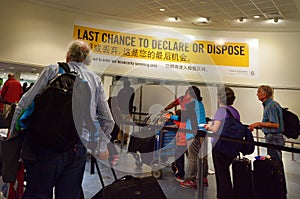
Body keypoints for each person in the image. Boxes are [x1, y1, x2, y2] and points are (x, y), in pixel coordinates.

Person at [9, 40, 114, 199]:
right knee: (68, 195)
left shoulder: (53, 70)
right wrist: (99, 145)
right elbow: (107, 119)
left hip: (45, 145)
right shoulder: (95, 79)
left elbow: (25, 102)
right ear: (87, 59)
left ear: (68, 56)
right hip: (77, 147)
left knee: (38, 193)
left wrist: (14, 132)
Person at [249, 85, 287, 197]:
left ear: (264, 94)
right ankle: (278, 189)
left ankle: (279, 191)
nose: (257, 94)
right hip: (272, 138)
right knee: (276, 163)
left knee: (276, 164)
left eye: (259, 92)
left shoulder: (271, 106)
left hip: (274, 138)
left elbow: (275, 124)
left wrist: (258, 123)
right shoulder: (269, 105)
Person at [167, 86, 208, 189]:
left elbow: (183, 118)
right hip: (203, 132)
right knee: (202, 157)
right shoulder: (200, 104)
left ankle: (191, 180)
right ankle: (203, 178)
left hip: (193, 133)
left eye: (188, 94)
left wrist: (170, 117)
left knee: (192, 158)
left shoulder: (191, 104)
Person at [205, 86, 240, 199]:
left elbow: (215, 129)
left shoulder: (221, 111)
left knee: (222, 175)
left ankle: (225, 195)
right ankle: (221, 195)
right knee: (225, 172)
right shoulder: (235, 112)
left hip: (220, 146)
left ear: (220, 98)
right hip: (232, 146)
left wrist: (208, 126)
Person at [164, 87, 192, 182]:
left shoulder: (188, 104)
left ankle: (180, 174)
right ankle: (197, 176)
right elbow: (173, 104)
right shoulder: (193, 103)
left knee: (179, 152)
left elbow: (181, 117)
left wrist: (170, 115)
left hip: (185, 133)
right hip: (191, 132)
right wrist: (166, 110)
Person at [116, 79, 135, 144]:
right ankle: (125, 139)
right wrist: (130, 111)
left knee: (121, 125)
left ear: (124, 85)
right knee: (127, 126)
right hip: (128, 111)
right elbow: (131, 102)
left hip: (121, 111)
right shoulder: (132, 92)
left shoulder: (121, 91)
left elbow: (118, 100)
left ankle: (120, 138)